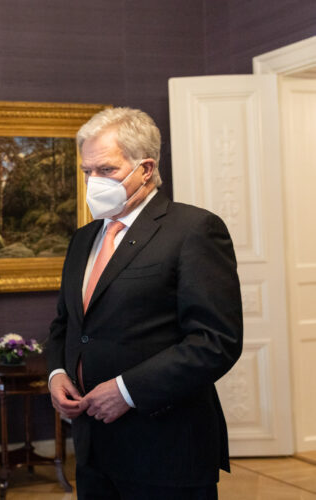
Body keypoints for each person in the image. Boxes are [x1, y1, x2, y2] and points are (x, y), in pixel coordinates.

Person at [47, 107, 243, 499]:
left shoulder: (194, 230)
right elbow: (66, 324)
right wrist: (56, 374)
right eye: (87, 172)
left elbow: (215, 341)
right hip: (93, 448)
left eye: (106, 170)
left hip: (166, 449)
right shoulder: (83, 239)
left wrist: (126, 390)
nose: (93, 182)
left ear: (146, 168)